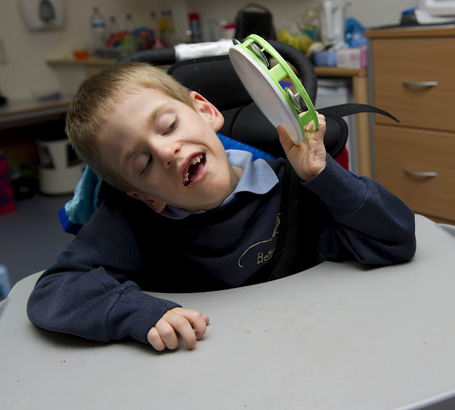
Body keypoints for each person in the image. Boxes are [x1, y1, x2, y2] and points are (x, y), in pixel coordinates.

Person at [27, 62, 416, 352]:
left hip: (314, 349)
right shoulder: (132, 223)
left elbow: (394, 240)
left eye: (167, 127)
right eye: (142, 163)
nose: (165, 151)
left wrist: (324, 176)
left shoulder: (293, 188)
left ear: (205, 111)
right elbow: (53, 292)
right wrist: (138, 313)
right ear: (144, 195)